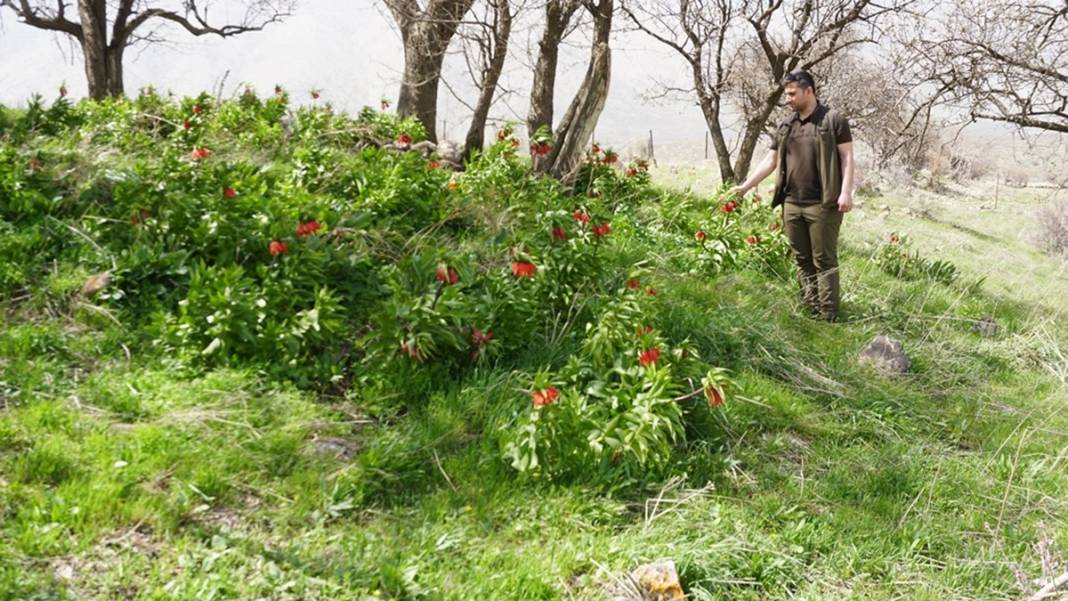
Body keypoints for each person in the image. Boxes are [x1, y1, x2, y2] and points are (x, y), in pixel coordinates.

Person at [730, 70, 855, 322]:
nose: (787, 99)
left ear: (809, 90)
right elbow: (771, 159)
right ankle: (810, 307)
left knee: (824, 259)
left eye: (792, 94)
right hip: (791, 203)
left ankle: (828, 314)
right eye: (786, 94)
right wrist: (745, 186)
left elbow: (847, 157)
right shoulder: (786, 125)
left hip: (824, 203)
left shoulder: (833, 120)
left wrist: (845, 192)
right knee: (801, 258)